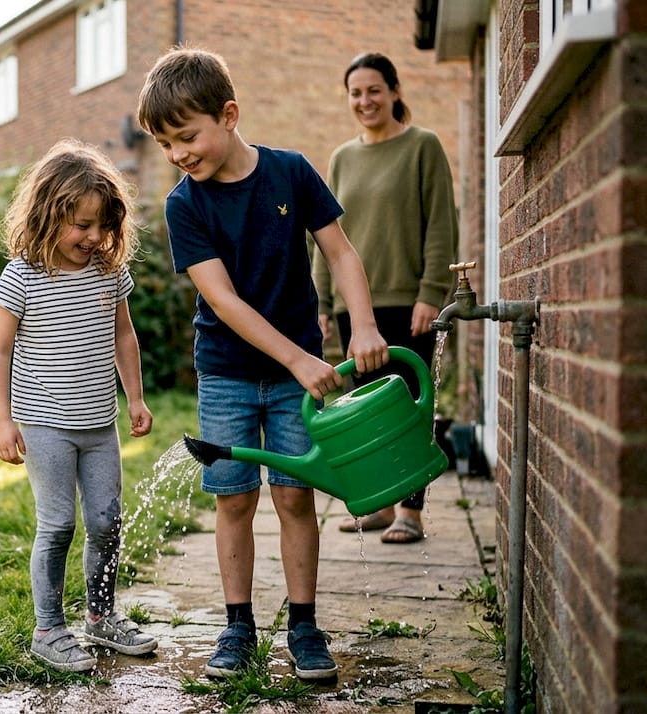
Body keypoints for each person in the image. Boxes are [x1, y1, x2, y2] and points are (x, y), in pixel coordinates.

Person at [135, 47, 388, 682]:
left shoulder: (291, 173)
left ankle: (303, 625)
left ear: (229, 114)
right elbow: (222, 301)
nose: (178, 154)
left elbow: (342, 253)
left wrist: (363, 325)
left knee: (295, 495)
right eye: (166, 144)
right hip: (225, 373)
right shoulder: (183, 205)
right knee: (233, 502)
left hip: (295, 376)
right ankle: (237, 626)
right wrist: (303, 359)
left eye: (186, 136)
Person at [0, 138, 157, 673]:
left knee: (106, 520)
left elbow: (124, 335)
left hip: (99, 425)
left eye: (101, 225)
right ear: (47, 214)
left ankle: (101, 618)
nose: (93, 237)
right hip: (44, 426)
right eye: (80, 225)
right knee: (57, 524)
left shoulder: (108, 273)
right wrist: (2, 420)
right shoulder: (23, 275)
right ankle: (48, 628)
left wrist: (135, 396)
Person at [313, 52, 458, 545]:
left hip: (407, 301)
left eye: (374, 90)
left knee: (411, 406)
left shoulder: (423, 146)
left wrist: (430, 294)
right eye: (355, 92)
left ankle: (411, 512)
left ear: (395, 91)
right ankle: (381, 502)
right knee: (365, 411)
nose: (364, 100)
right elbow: (325, 236)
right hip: (354, 307)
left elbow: (441, 226)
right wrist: (322, 303)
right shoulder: (340, 158)